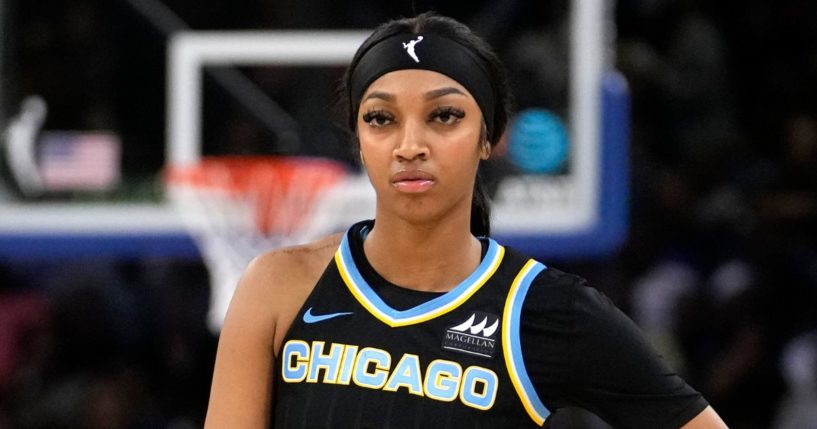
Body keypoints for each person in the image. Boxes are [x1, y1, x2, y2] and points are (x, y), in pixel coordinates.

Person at [203, 12, 728, 428]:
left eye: (444, 116)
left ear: (488, 138)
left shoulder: (545, 309)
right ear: (359, 140)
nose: (410, 146)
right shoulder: (277, 286)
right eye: (381, 119)